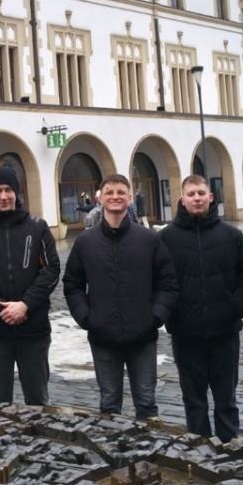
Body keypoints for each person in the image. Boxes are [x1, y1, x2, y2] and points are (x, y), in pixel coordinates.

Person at [64, 173, 179, 419]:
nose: (115, 197)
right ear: (101, 198)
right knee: (109, 404)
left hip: (143, 335)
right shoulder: (86, 241)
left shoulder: (148, 239)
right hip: (102, 335)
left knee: (147, 403)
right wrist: (87, 318)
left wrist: (155, 316)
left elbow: (167, 283)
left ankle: (149, 454)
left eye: (120, 193)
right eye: (110, 193)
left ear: (129, 197)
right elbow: (73, 285)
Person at [159, 175, 243, 442]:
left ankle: (230, 450)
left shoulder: (231, 235)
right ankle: (199, 452)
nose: (197, 198)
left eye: (201, 193)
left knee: (226, 400)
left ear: (211, 196)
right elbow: (158, 281)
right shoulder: (167, 238)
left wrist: (235, 308)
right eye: (191, 194)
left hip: (225, 332)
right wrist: (171, 313)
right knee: (194, 401)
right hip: (186, 334)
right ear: (182, 199)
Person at [0, 166, 60, 406]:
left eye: (8, 190)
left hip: (33, 329)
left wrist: (25, 305)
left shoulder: (37, 227)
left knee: (37, 403)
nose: (3, 196)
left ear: (17, 193)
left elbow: (51, 270)